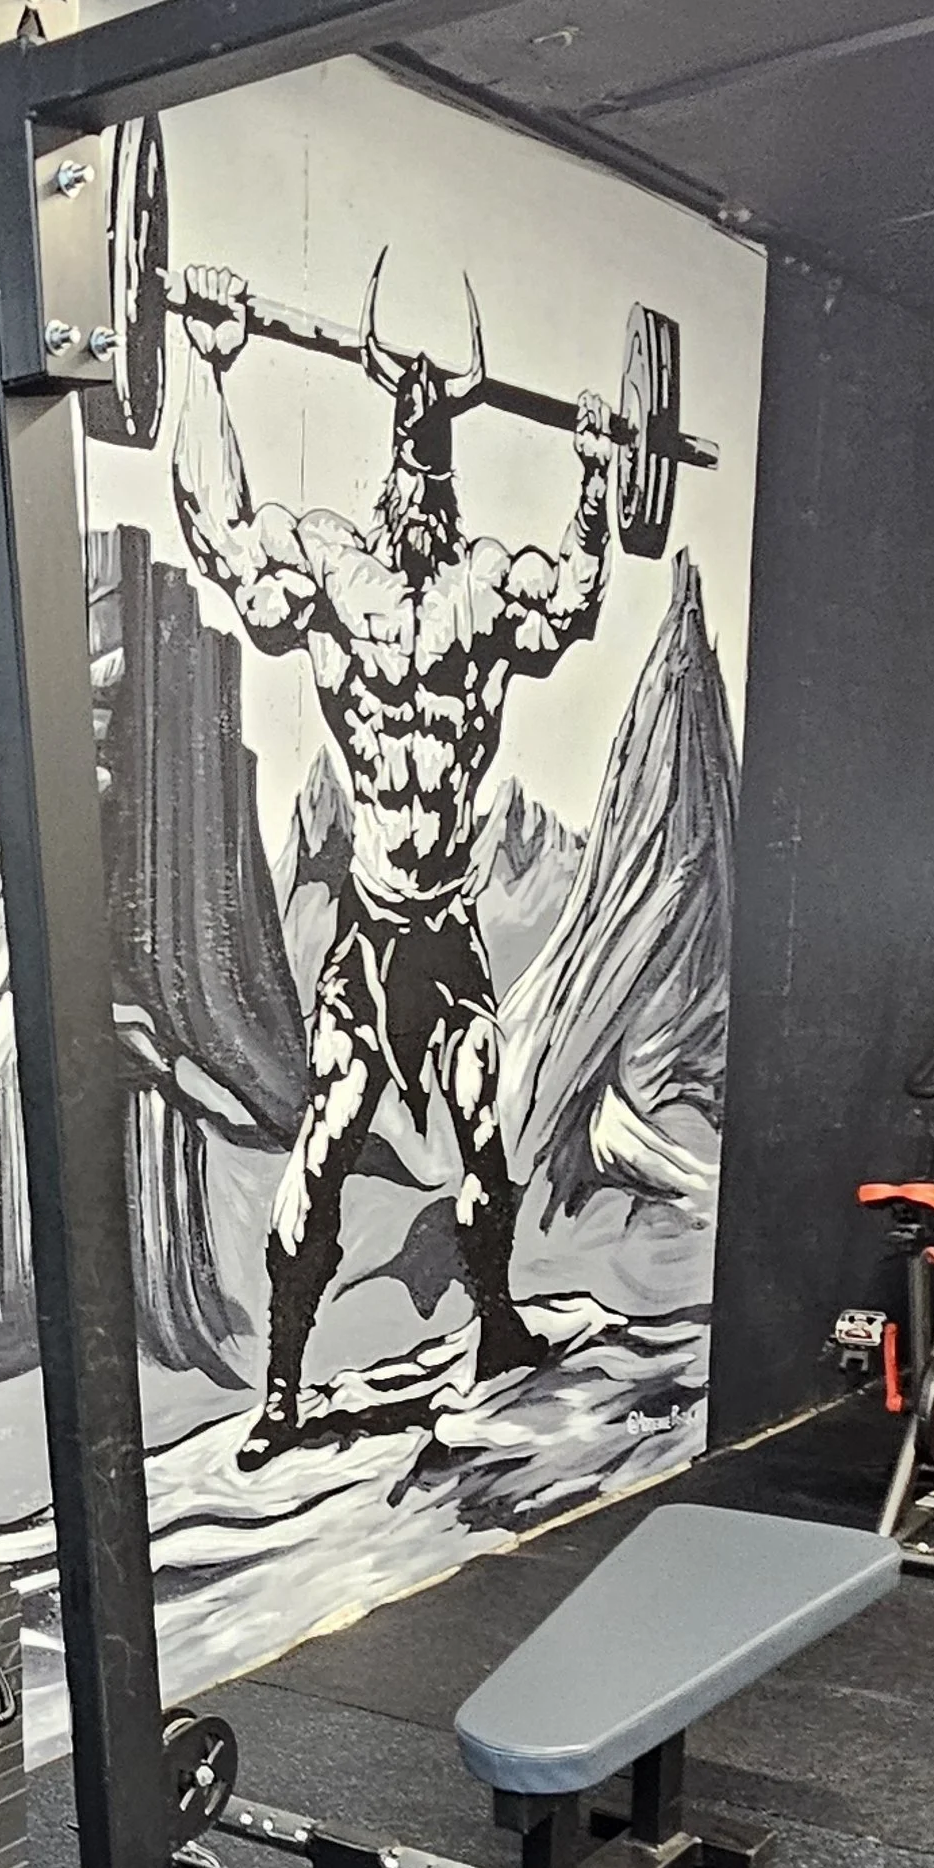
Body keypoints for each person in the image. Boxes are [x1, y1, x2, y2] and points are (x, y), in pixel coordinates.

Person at [172, 256, 612, 1458]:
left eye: (436, 437)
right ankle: (279, 1387)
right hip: (371, 939)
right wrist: (209, 370)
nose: (421, 481)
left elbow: (575, 595)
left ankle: (502, 1322)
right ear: (387, 463)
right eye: (409, 432)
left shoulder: (485, 594)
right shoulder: (335, 580)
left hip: (449, 935)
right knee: (324, 1142)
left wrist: (592, 470)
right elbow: (220, 537)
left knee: (486, 1134)